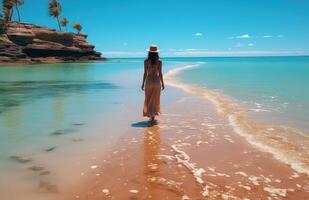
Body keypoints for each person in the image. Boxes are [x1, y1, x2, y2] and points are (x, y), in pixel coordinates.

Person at [141, 44, 165, 122]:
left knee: (148, 98)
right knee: (155, 99)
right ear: (157, 53)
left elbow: (145, 73)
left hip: (149, 81)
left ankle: (150, 116)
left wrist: (142, 84)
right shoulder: (160, 62)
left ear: (149, 53)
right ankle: (153, 117)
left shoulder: (146, 61)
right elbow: (160, 73)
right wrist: (163, 83)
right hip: (157, 81)